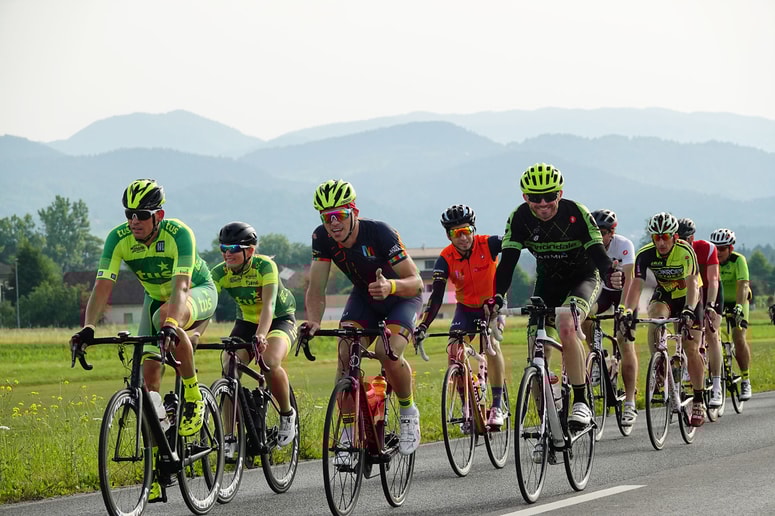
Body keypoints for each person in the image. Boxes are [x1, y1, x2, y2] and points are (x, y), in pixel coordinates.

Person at [70, 179, 218, 499]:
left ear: (159, 215)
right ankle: (161, 458)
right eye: (128, 214)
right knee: (147, 384)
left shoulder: (179, 234)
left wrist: (171, 324)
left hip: (197, 292)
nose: (133, 220)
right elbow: (103, 287)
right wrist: (89, 327)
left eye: (141, 214)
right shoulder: (118, 238)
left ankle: (193, 397)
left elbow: (180, 288)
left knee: (166, 316)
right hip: (155, 302)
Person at [487, 163, 622, 430]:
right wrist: (498, 297)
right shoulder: (520, 218)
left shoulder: (577, 213)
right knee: (536, 350)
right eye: (535, 198)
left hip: (583, 278)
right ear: (525, 197)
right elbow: (507, 264)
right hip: (548, 283)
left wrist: (611, 273)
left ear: (560, 193)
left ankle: (582, 402)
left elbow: (598, 254)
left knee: (566, 326)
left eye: (550, 196)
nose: (543, 203)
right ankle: (547, 423)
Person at [304, 179, 424, 455]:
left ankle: (408, 412)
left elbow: (416, 282)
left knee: (387, 352)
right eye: (327, 217)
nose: (334, 223)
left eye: (340, 216)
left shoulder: (379, 233)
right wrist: (314, 320)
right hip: (365, 299)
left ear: (354, 212)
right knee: (346, 355)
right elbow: (316, 287)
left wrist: (390, 286)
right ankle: (347, 433)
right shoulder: (321, 238)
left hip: (401, 297)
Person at [413, 204, 507, 427]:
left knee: (492, 345)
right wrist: (423, 325)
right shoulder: (445, 259)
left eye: (467, 231)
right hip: (465, 308)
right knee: (454, 352)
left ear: (473, 229)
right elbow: (435, 298)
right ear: (449, 235)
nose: (463, 237)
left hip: (492, 306)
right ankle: (468, 407)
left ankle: (496, 406)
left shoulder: (489, 243)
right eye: (457, 233)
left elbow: (515, 244)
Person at [210, 221, 298, 448]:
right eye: (223, 249)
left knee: (269, 361)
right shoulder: (219, 273)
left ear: (249, 251)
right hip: (246, 321)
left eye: (233, 249)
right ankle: (229, 436)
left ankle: (287, 414)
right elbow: (205, 305)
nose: (227, 254)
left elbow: (268, 305)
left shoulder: (265, 266)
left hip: (279, 318)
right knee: (230, 367)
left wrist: (261, 336)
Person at [620, 212, 706, 427]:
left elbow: (693, 284)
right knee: (655, 317)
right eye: (656, 237)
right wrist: (628, 311)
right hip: (665, 295)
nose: (661, 242)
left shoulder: (685, 251)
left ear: (675, 237)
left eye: (665, 237)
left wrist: (688, 309)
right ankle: (659, 363)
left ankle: (698, 398)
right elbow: (636, 285)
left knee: (690, 346)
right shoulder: (645, 254)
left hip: (689, 297)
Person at [581, 209, 638, 426]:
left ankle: (631, 403)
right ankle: (597, 356)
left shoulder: (623, 245)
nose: (600, 236)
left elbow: (631, 280)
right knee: (584, 314)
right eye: (596, 231)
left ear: (612, 233)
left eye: (603, 232)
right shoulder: (589, 246)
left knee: (625, 342)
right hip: (602, 291)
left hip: (624, 290)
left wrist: (624, 310)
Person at [678, 218, 724, 412]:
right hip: (690, 292)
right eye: (677, 238)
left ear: (692, 238)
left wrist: (711, 305)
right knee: (684, 332)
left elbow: (713, 280)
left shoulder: (706, 248)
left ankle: (716, 385)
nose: (680, 243)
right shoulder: (674, 252)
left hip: (711, 291)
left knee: (712, 334)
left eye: (684, 239)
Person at [710, 228, 752, 401]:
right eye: (715, 248)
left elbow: (743, 285)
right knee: (710, 335)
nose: (718, 252)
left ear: (730, 249)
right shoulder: (711, 260)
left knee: (738, 336)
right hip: (718, 301)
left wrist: (739, 307)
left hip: (738, 301)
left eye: (722, 249)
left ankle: (745, 379)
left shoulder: (738, 260)